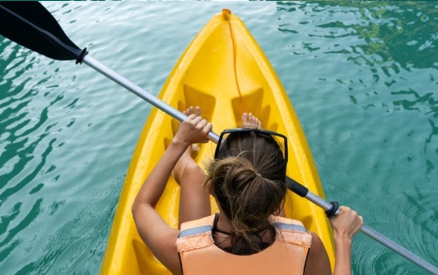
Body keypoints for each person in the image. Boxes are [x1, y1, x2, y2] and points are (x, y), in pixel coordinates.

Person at [132, 106, 363, 275]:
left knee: (193, 173)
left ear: (211, 188)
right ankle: (253, 152)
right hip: (276, 236)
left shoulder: (179, 249)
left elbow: (141, 206)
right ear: (278, 203)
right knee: (269, 214)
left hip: (201, 258)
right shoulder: (306, 246)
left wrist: (178, 143)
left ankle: (184, 158)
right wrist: (342, 238)